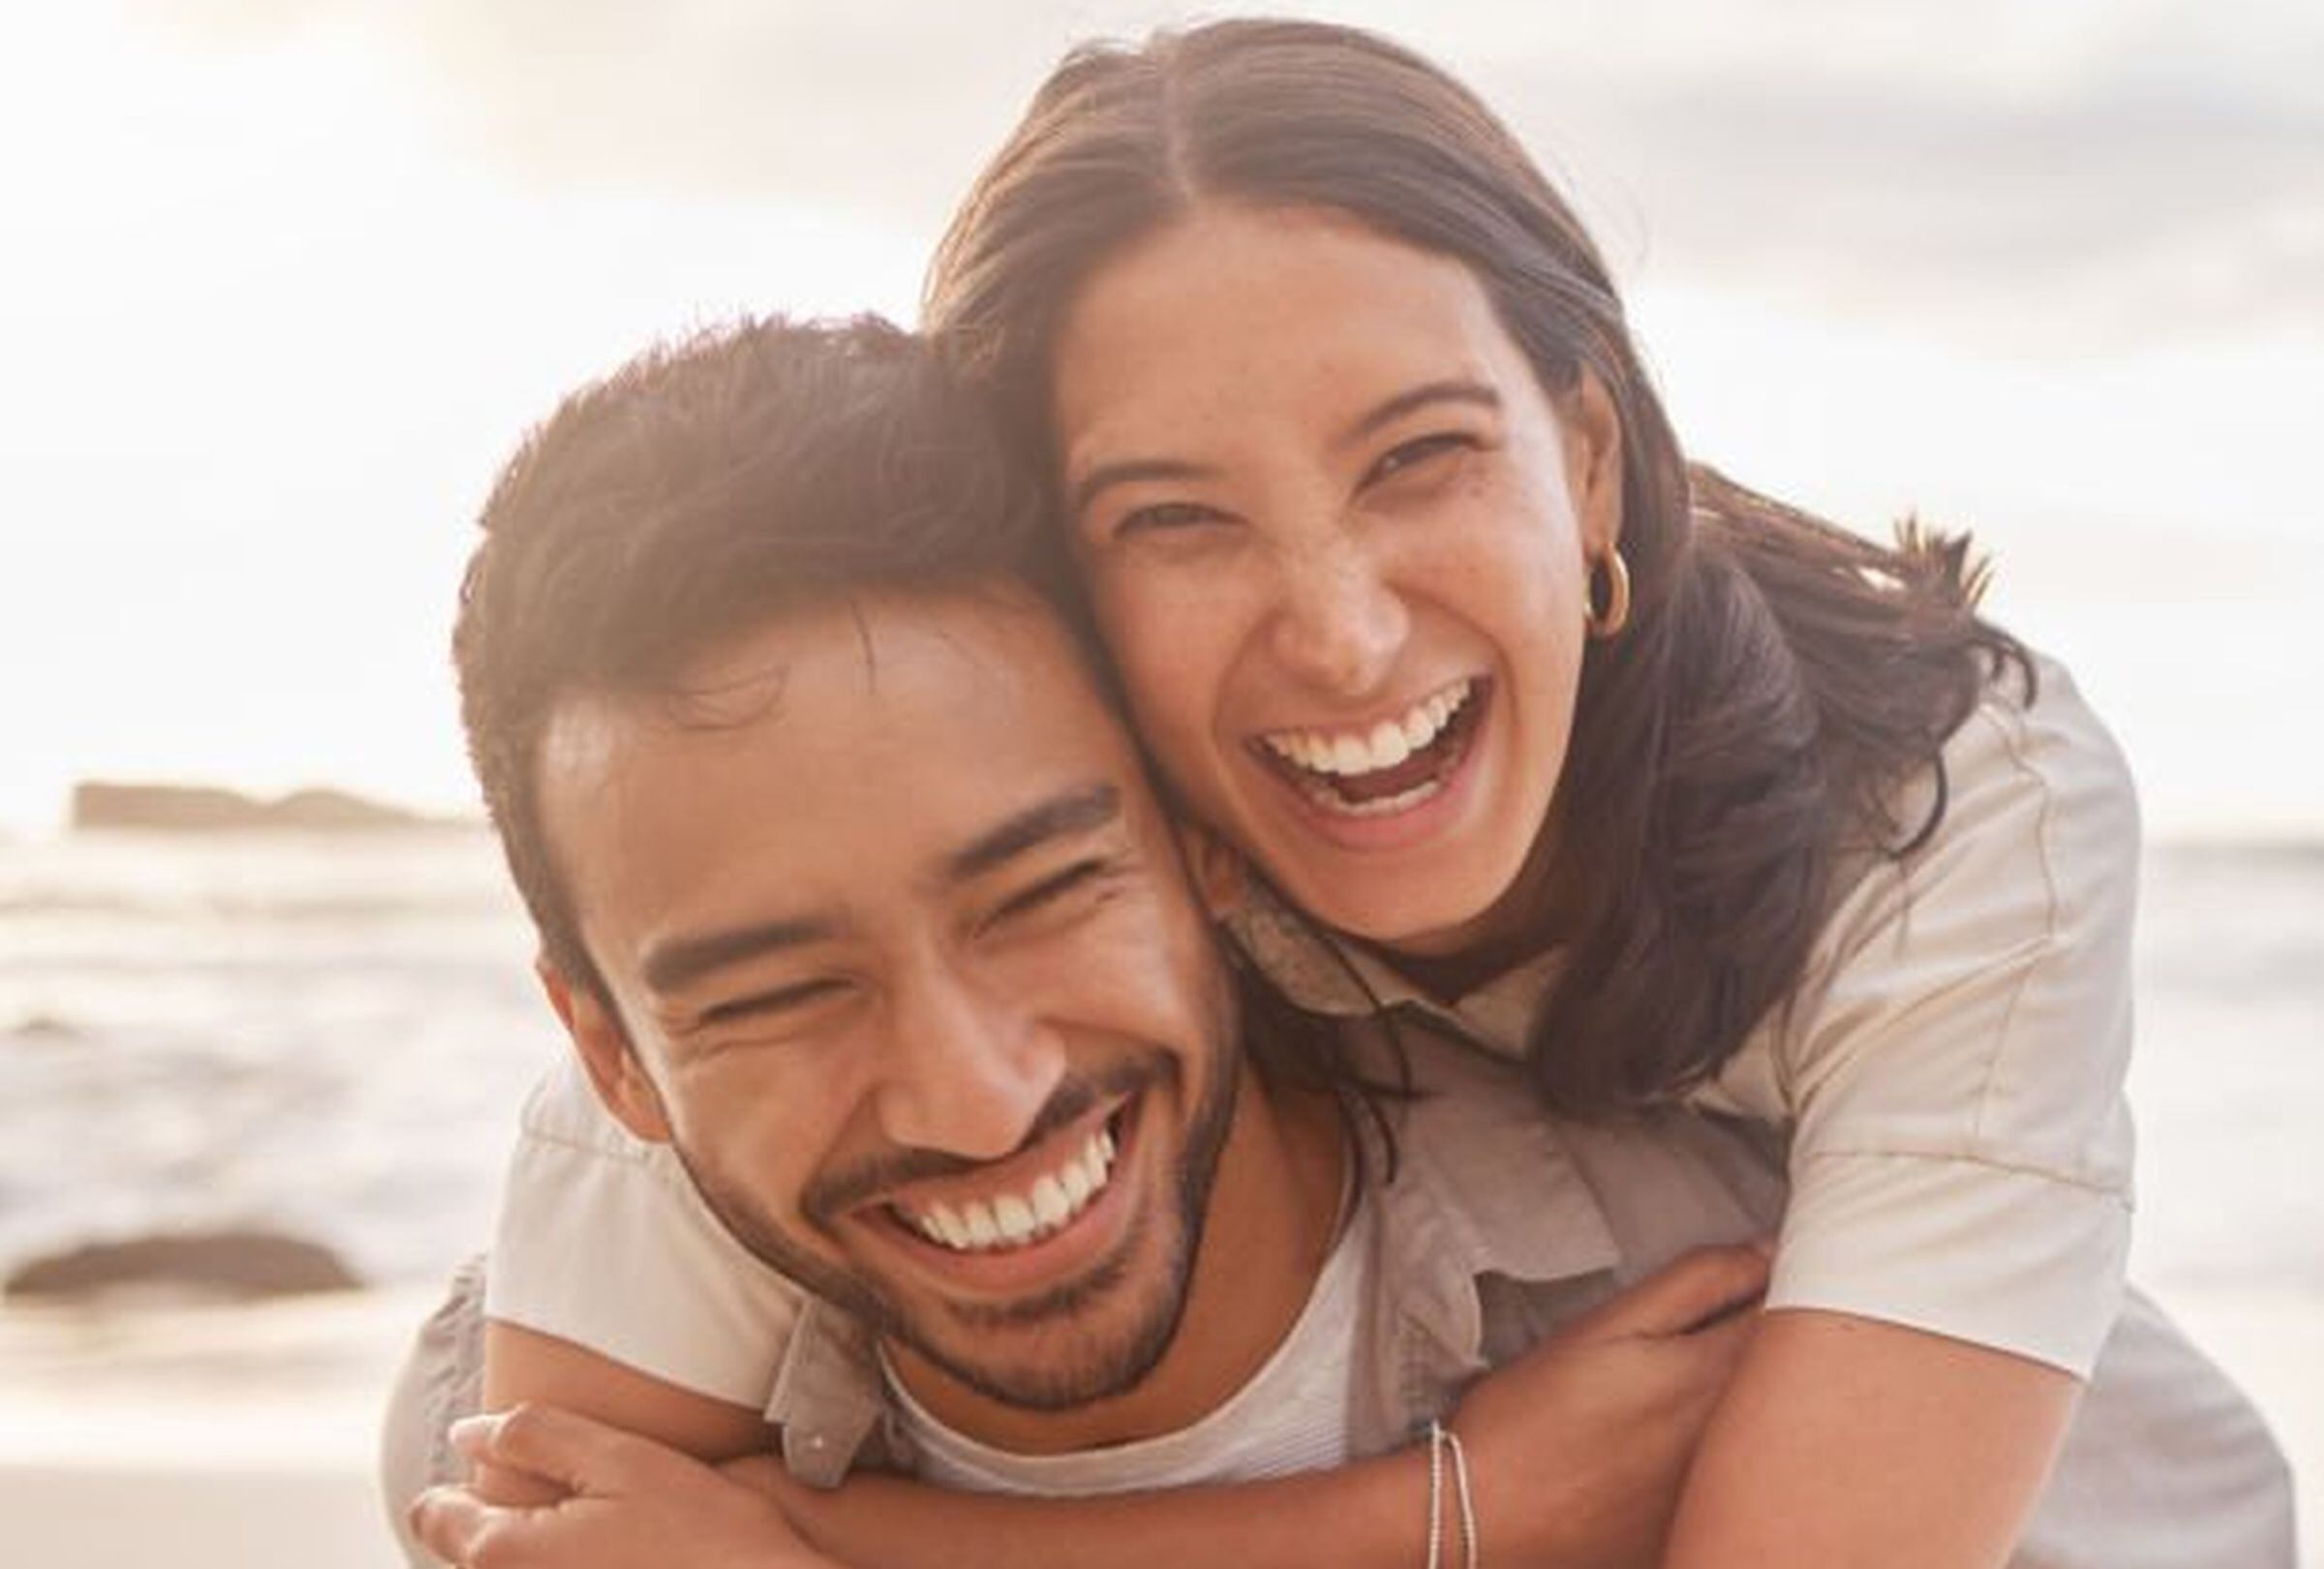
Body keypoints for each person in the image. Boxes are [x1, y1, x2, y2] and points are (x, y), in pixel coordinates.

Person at [390, 316, 2289, 1569]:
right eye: (782, 992)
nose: (973, 1097)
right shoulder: (569, 1410)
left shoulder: (1713, 1330)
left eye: (1044, 891)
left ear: (1215, 845)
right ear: (611, 1053)